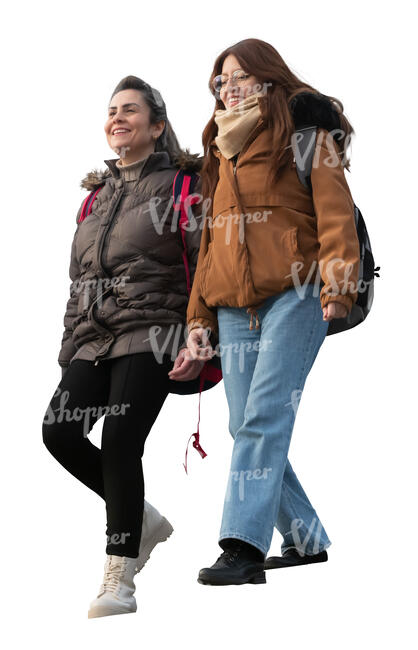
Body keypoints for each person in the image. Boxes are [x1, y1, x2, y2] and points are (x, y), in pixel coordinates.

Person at [182, 38, 360, 585]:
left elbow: (336, 217)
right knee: (243, 423)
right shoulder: (220, 151)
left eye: (239, 77)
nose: (228, 88)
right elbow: (211, 242)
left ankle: (242, 547)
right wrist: (198, 321)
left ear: (267, 79)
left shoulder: (306, 136)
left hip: (298, 292)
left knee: (263, 416)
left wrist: (339, 285)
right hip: (234, 306)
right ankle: (306, 539)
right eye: (221, 81)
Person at [42, 75, 205, 617]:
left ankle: (120, 577)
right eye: (112, 110)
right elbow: (77, 280)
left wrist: (205, 334)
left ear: (157, 126)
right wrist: (70, 350)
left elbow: (208, 265)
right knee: (59, 432)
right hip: (94, 338)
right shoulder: (95, 199)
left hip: (155, 329)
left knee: (118, 439)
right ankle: (144, 519)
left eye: (130, 110)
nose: (117, 117)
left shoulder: (184, 184)